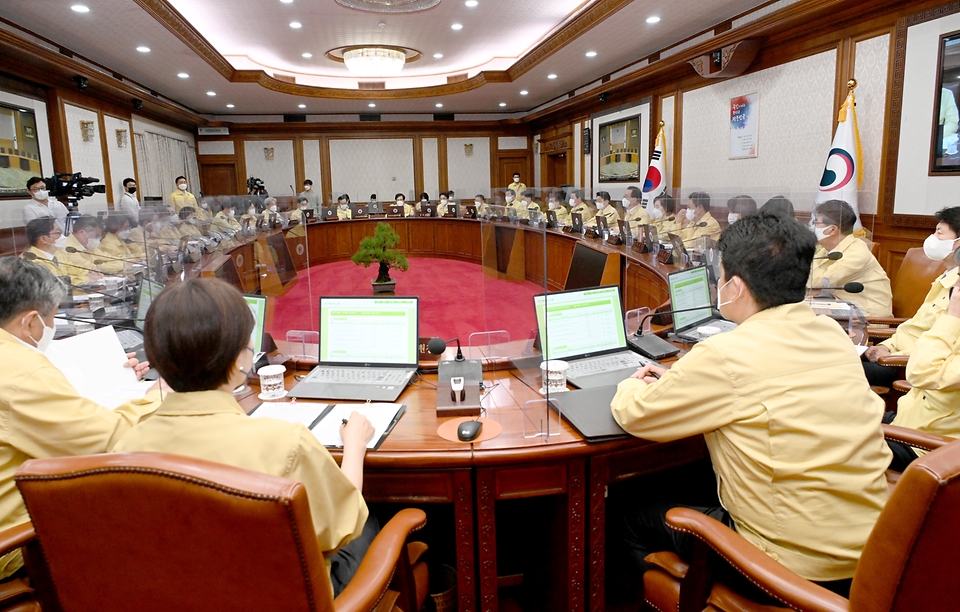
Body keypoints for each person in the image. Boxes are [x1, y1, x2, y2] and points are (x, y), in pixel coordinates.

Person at [611, 212, 890, 594]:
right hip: (872, 550)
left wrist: (630, 384)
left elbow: (636, 414)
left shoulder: (725, 354)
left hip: (788, 567)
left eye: (720, 277)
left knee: (628, 508)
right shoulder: (829, 331)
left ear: (736, 287)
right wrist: (683, 382)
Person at [112, 278, 374, 596]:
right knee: (371, 521)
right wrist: (355, 447)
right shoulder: (285, 443)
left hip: (183, 597)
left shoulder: (125, 448)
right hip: (279, 598)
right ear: (241, 359)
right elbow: (341, 528)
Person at [0, 258, 161, 580]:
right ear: (31, 322)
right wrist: (159, 394)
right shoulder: (22, 372)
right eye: (52, 316)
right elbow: (109, 442)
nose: (53, 326)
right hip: (17, 541)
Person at [862, 207, 960, 387]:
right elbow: (915, 327)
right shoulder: (944, 278)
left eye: (939, 233)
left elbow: (944, 345)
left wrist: (894, 356)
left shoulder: (956, 289)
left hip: (907, 366)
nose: (932, 238)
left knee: (831, 369)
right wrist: (887, 346)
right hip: (894, 354)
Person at [884, 277, 960, 471]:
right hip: (906, 422)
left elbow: (921, 372)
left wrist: (952, 316)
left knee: (833, 444)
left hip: (929, 448)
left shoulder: (953, 319)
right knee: (828, 415)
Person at [809, 200, 892, 317]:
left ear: (832, 230)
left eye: (816, 223)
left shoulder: (857, 253)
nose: (811, 227)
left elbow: (818, 282)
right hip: (837, 311)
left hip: (866, 320)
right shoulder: (824, 250)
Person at [57, 215, 104, 284]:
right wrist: (123, 265)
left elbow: (106, 258)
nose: (98, 239)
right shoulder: (68, 248)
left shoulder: (88, 245)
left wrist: (123, 263)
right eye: (96, 236)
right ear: (82, 233)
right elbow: (90, 267)